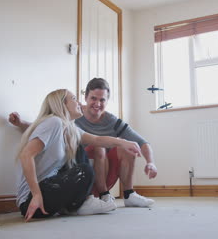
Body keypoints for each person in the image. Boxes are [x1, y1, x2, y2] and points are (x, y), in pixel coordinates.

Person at [10, 78, 158, 208]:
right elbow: (41, 130)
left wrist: (141, 155)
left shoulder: (81, 126)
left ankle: (125, 195)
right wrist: (22, 124)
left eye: (102, 100)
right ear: (85, 97)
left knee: (116, 146)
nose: (97, 103)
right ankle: (98, 196)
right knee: (91, 150)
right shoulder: (61, 120)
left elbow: (103, 139)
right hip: (57, 185)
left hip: (90, 175)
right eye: (93, 98)